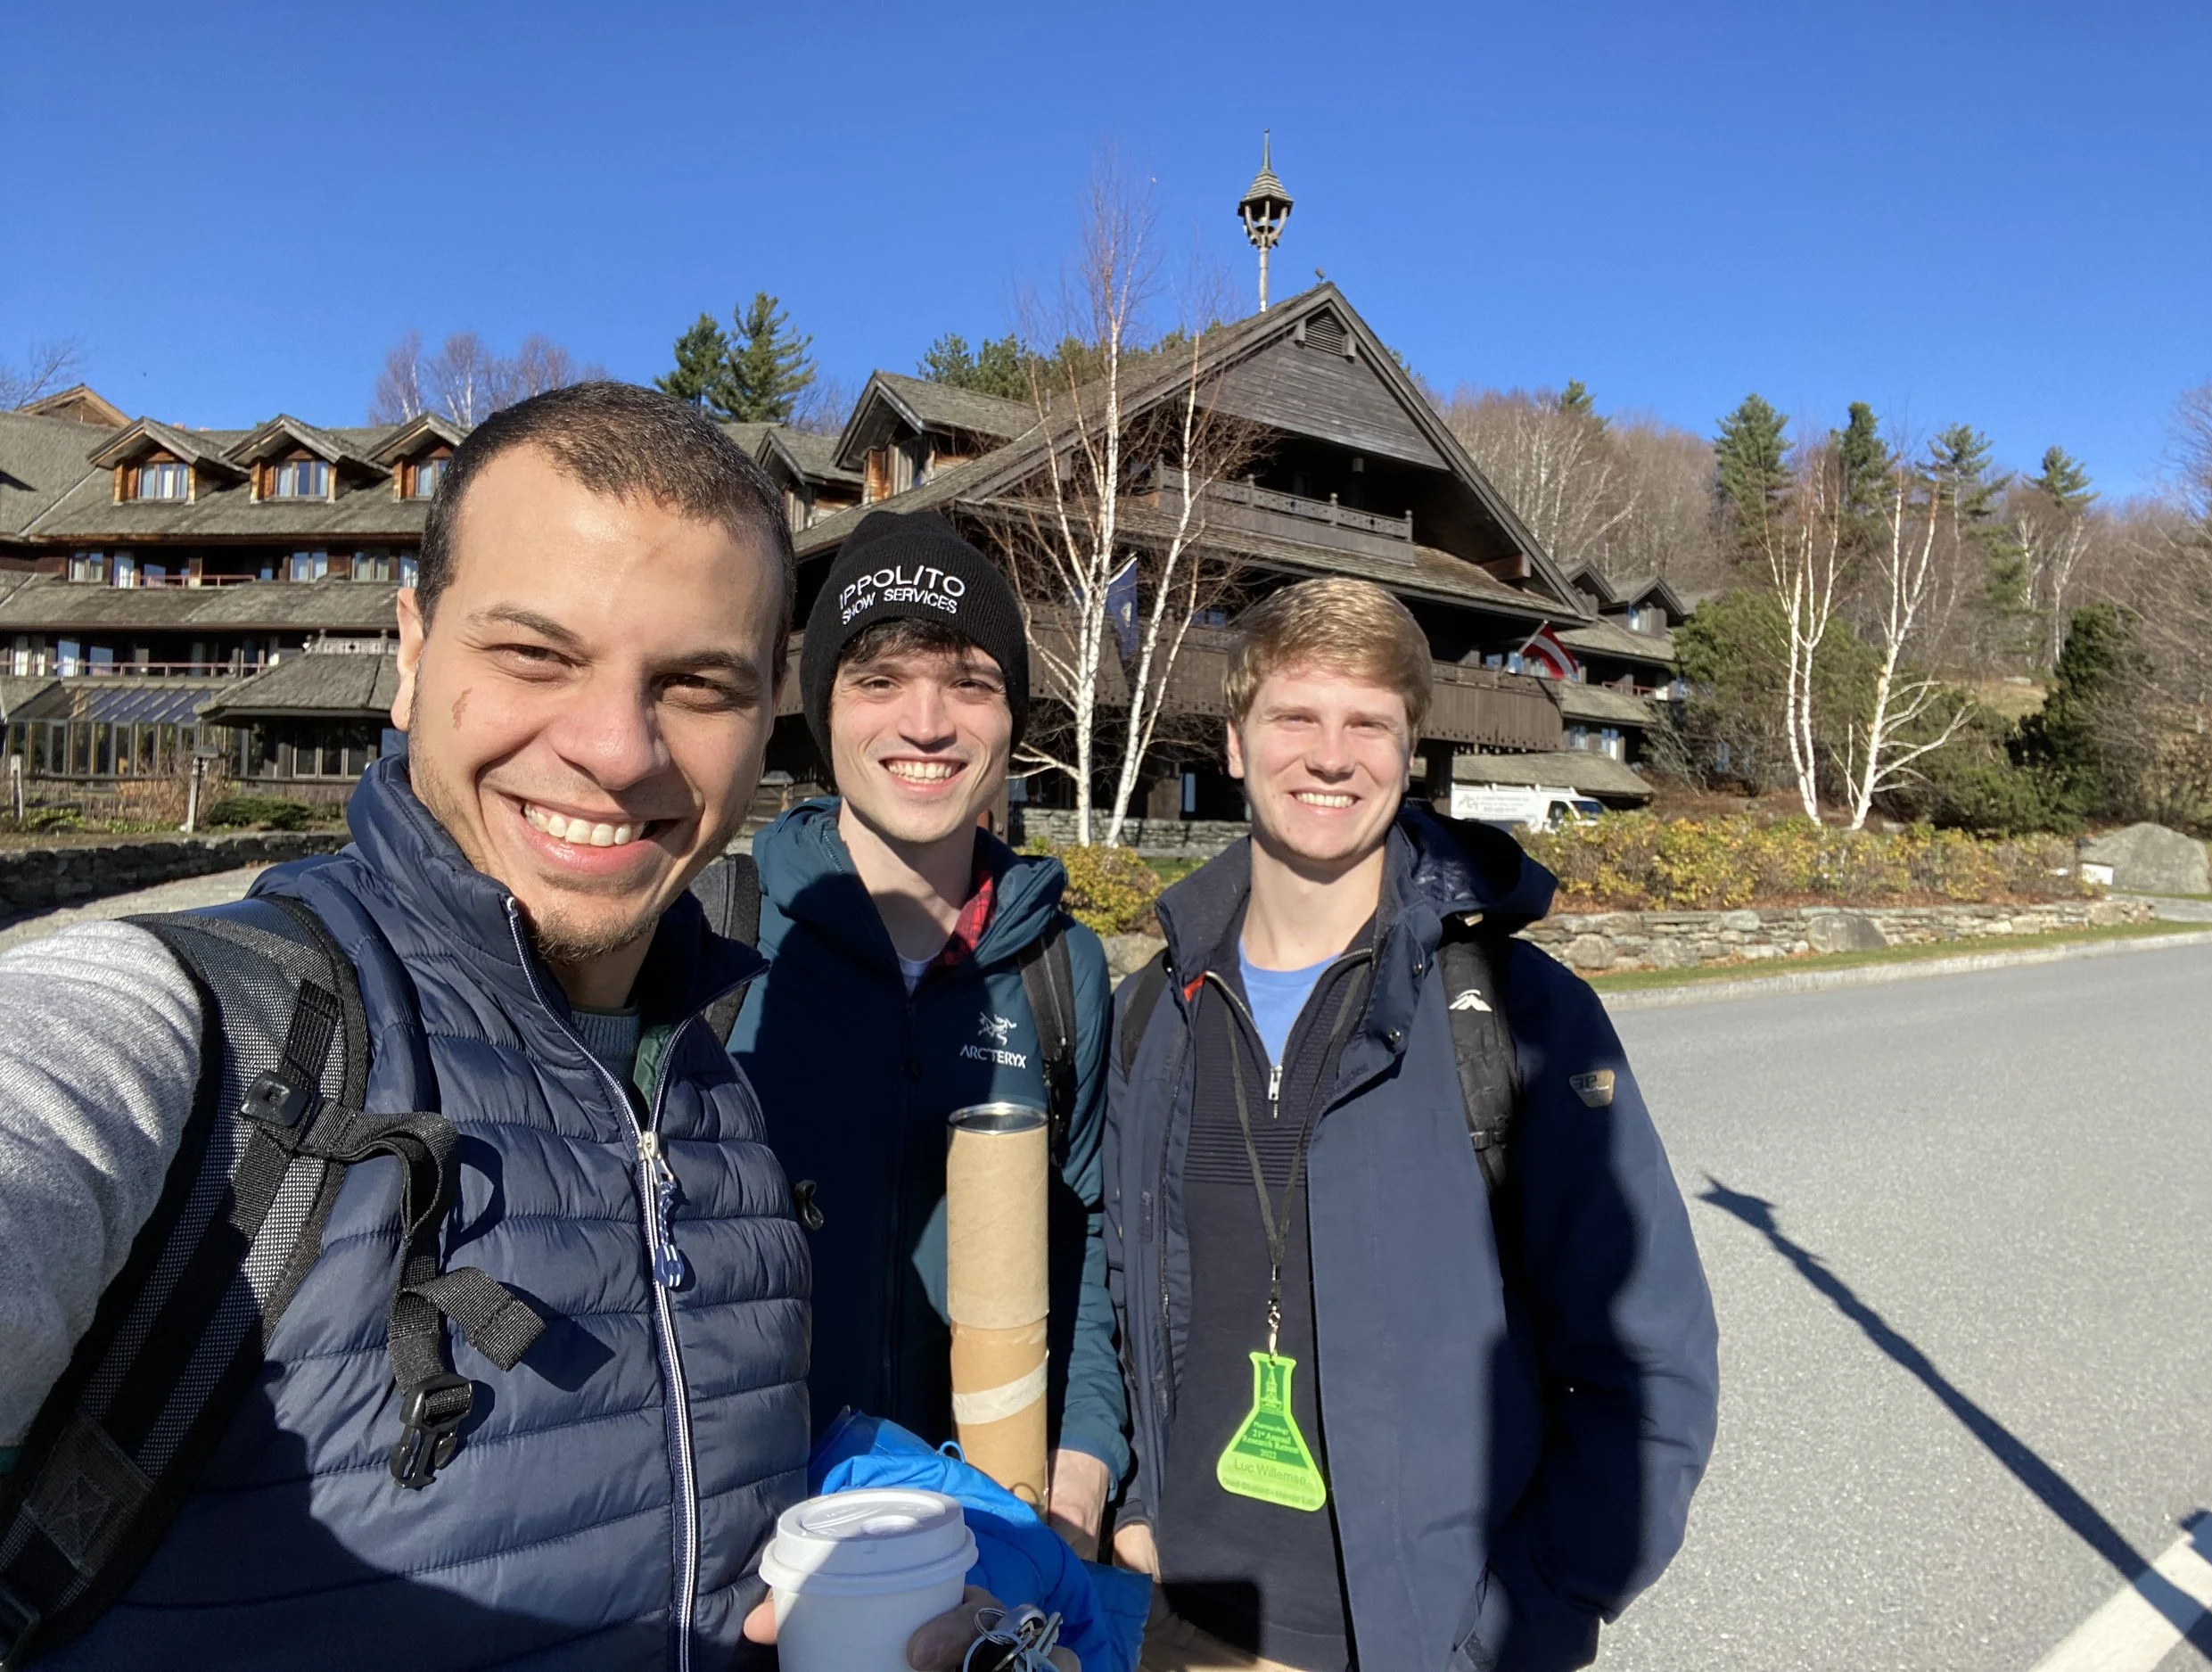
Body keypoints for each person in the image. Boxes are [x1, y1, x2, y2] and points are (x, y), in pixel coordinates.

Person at [0, 385, 1013, 1671]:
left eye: (695, 682)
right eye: (536, 654)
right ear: (411, 651)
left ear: (768, 713)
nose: (615, 749)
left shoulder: (716, 1092)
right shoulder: (206, 1032)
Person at [1103, 579, 1719, 1672]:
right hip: (1187, 1620)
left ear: (1408, 747)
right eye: (1295, 716)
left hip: (1423, 1641)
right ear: (1235, 743)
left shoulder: (1518, 1015)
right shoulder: (1155, 1011)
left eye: (1367, 724)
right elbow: (1130, 1288)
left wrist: (1524, 1620)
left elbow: (1645, 1355)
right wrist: (1141, 1503)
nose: (1329, 757)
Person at [729, 508, 1126, 1561]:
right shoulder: (714, 942)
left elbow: (1086, 1236)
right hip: (755, 1543)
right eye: (879, 680)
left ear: (1011, 721)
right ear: (822, 707)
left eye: (969, 683)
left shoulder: (1061, 970)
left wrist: (1082, 1468)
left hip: (990, 1531)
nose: (927, 722)